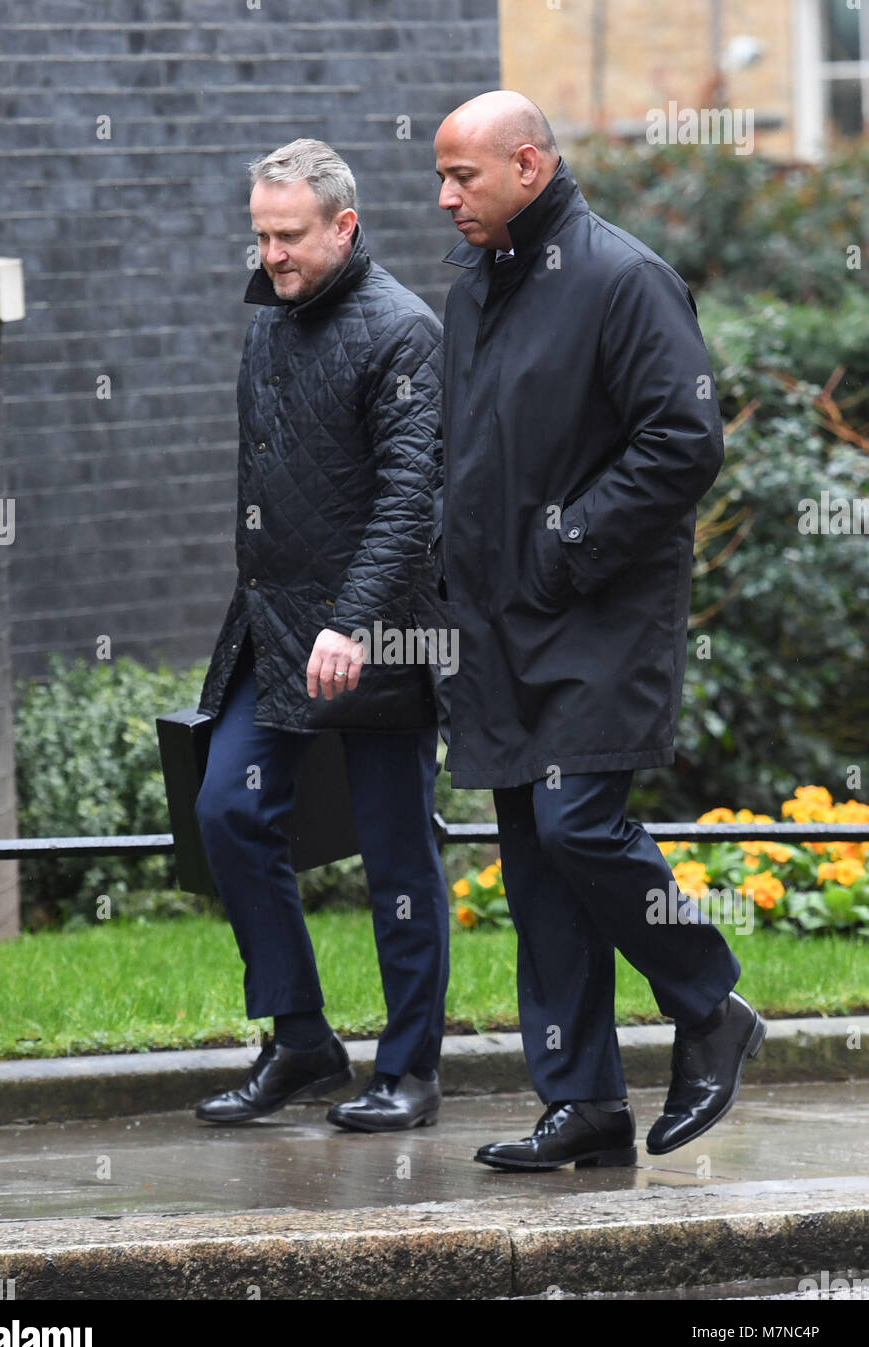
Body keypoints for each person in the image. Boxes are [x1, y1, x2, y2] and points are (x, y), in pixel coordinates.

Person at [430, 91, 765, 1171]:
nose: (444, 198)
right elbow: (467, 453)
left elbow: (684, 439)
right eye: (439, 176)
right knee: (537, 870)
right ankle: (583, 1105)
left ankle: (711, 1002)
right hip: (499, 628)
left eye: (463, 176)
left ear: (528, 164)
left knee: (579, 830)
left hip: (600, 620)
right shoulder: (474, 287)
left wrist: (566, 546)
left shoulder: (623, 278)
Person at [193, 139, 449, 1133]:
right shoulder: (269, 315)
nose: (271, 254)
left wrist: (353, 620)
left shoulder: (403, 334)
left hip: (379, 634)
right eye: (259, 234)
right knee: (226, 807)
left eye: (288, 236)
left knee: (395, 853)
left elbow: (409, 500)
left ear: (344, 225)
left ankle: (410, 1070)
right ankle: (299, 1037)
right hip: (273, 621)